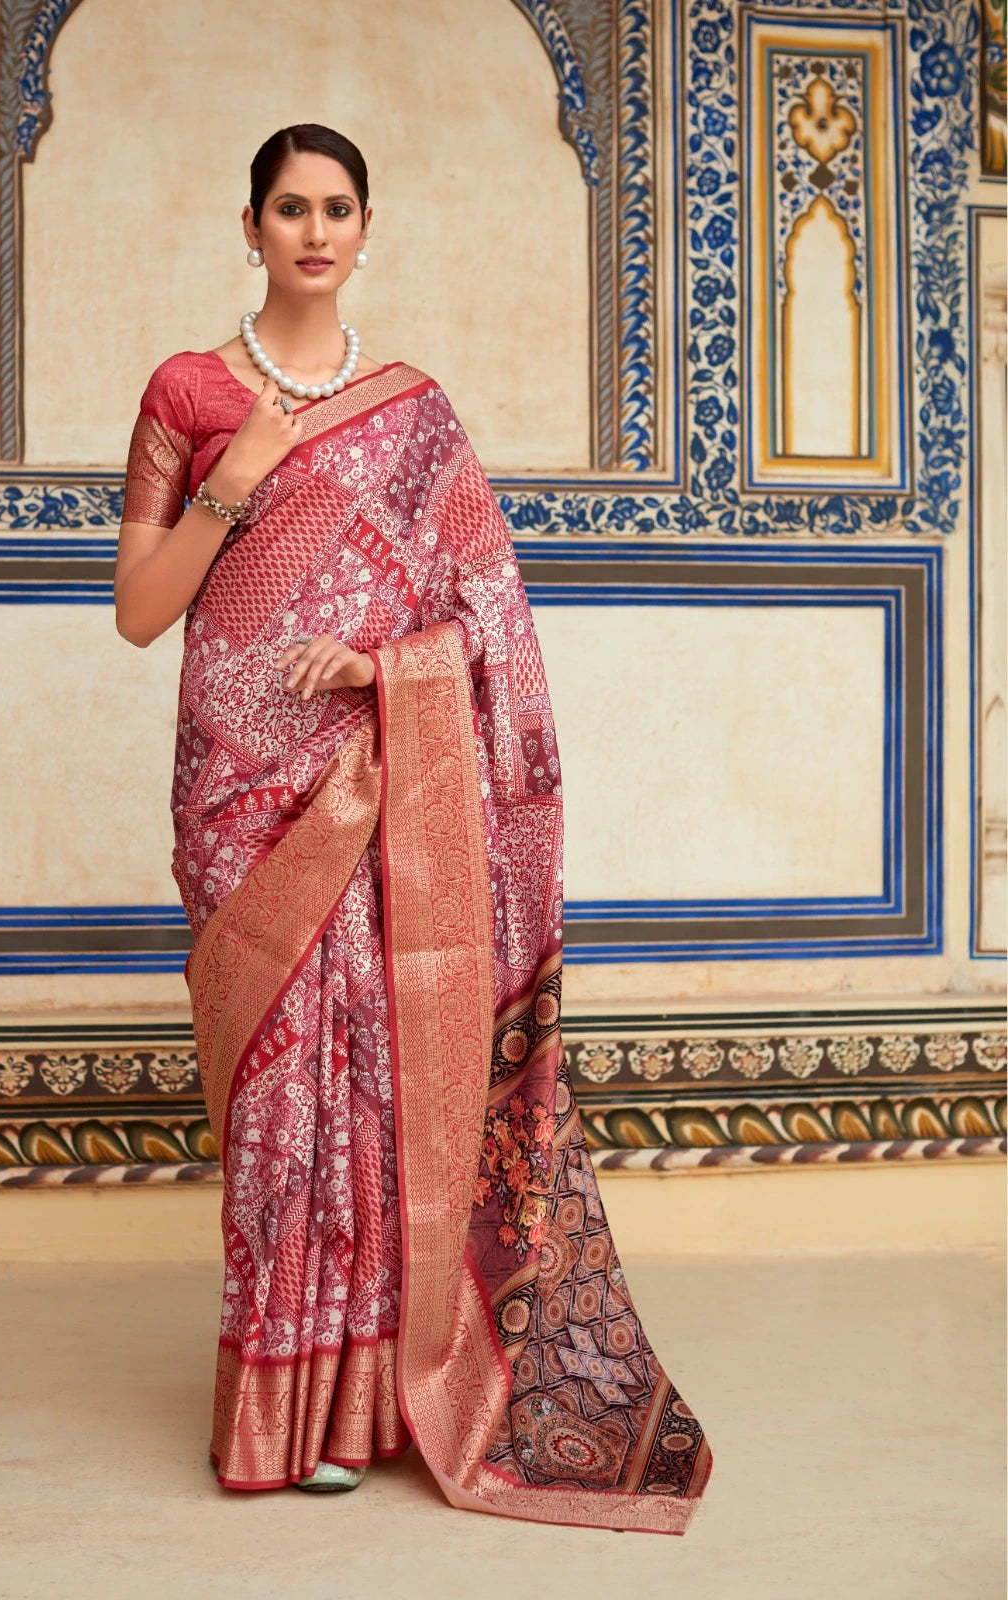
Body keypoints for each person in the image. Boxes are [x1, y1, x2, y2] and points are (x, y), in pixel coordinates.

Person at [114, 123, 711, 1531]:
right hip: (239, 795)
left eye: (335, 208)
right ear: (248, 226)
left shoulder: (416, 414)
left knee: (374, 1099)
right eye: (287, 208)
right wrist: (231, 482)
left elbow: (486, 619)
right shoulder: (189, 391)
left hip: (378, 786)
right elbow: (141, 609)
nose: (312, 230)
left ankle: (363, 1410)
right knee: (276, 1108)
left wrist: (385, 675)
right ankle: (269, 1416)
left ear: (363, 228)